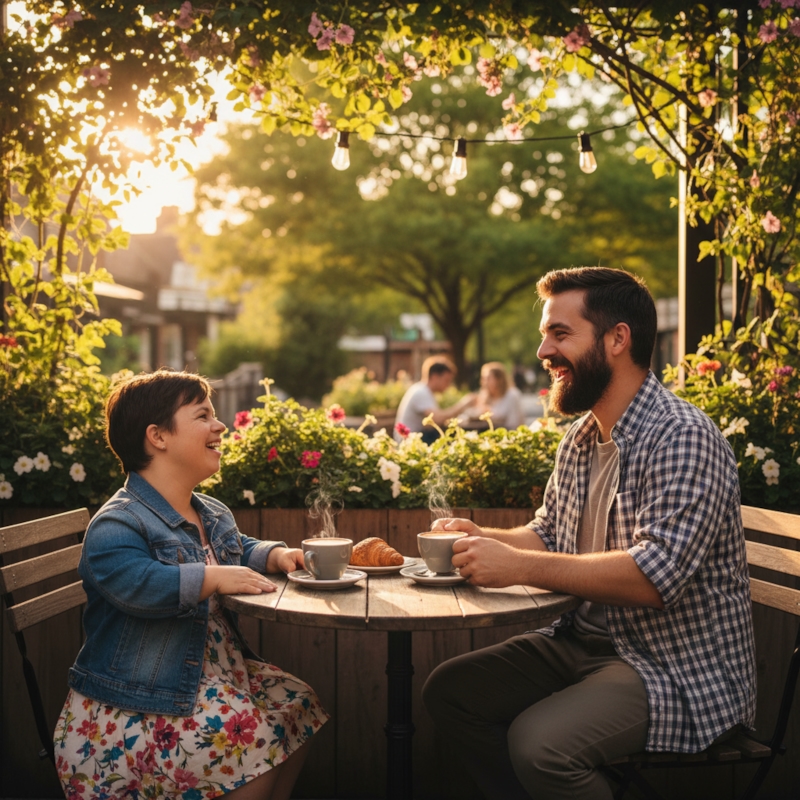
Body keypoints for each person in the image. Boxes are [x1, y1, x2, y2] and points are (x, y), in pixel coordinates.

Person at [422, 267, 756, 800]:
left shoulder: (683, 435)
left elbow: (653, 578)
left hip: (670, 664)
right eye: (545, 335)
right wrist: (481, 536)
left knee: (540, 746)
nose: (542, 352)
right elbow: (550, 534)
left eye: (560, 334)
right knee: (452, 692)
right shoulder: (583, 435)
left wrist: (520, 566)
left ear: (617, 339)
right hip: (581, 641)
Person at [54, 370, 328, 800]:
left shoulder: (210, 511)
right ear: (158, 437)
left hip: (206, 678)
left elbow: (233, 547)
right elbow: (139, 585)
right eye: (203, 416)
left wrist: (274, 555)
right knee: (251, 738)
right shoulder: (115, 525)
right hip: (133, 703)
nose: (220, 426)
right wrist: (214, 578)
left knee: (299, 704)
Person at [394, 355, 475, 443]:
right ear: (435, 377)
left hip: (415, 439)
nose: (448, 385)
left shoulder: (424, 391)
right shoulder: (421, 392)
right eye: (446, 380)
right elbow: (438, 419)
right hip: (408, 443)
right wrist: (464, 404)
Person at [471, 361, 524, 428]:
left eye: (487, 378)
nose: (483, 382)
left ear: (499, 379)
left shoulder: (512, 395)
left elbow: (514, 423)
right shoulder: (485, 396)